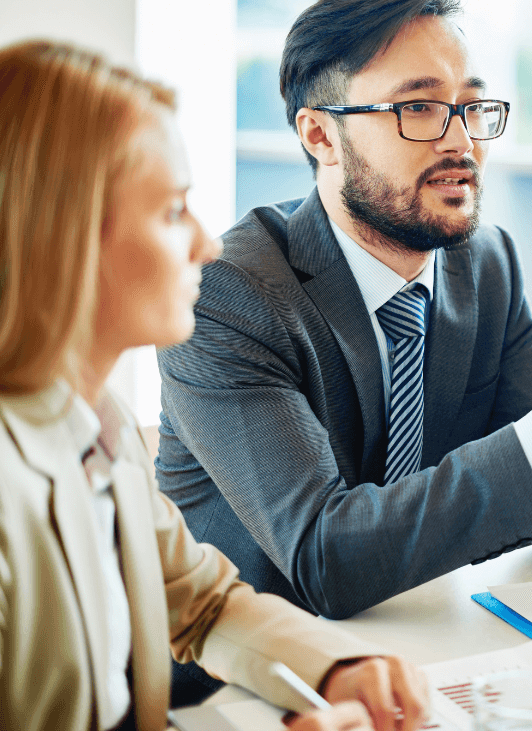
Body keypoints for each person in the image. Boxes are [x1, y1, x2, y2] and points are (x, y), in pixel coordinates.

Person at [156, 0, 532, 620]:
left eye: (471, 108)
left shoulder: (484, 263)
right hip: (247, 679)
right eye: (418, 108)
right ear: (321, 137)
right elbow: (325, 559)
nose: (461, 142)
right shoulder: (228, 293)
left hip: (431, 634)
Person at [0, 41, 429, 731]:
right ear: (65, 233)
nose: (208, 243)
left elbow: (201, 604)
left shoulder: (91, 425)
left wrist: (340, 667)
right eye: (173, 212)